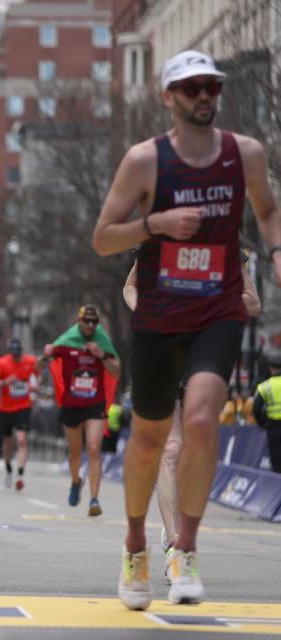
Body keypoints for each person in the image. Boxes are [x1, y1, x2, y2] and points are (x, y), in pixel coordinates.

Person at [93, 50, 281, 609]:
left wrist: (275, 251)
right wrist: (155, 224)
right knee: (151, 440)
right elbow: (104, 238)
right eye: (192, 87)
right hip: (159, 312)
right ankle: (134, 546)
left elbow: (268, 210)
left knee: (201, 420)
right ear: (169, 97)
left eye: (212, 87)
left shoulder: (244, 153)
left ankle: (187, 550)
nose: (204, 96)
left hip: (216, 307)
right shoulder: (144, 162)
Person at [124, 251, 262, 580]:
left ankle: (179, 532)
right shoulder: (157, 236)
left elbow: (252, 303)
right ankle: (176, 547)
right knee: (170, 450)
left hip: (202, 356)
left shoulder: (226, 241)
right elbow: (130, 286)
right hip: (161, 352)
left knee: (192, 451)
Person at [37, 305, 120, 517]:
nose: (91, 326)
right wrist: (45, 356)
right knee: (75, 452)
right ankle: (76, 481)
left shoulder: (102, 341)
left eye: (94, 322)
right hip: (71, 405)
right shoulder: (67, 341)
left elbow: (116, 370)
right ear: (79, 321)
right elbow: (38, 367)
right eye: (87, 321)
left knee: (93, 448)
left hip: (95, 404)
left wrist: (101, 355)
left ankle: (94, 499)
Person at [0, 338, 36, 491]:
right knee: (7, 442)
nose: (16, 357)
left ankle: (20, 475)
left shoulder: (30, 361)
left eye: (19, 353)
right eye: (14, 353)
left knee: (22, 440)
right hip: (5, 408)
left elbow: (38, 374)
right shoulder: (2, 363)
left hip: (23, 406)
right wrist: (5, 382)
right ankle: (9, 469)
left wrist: (36, 384)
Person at [254, 354, 281, 473]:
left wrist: (263, 423)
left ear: (270, 368)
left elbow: (256, 409)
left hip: (274, 427)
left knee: (276, 462)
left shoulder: (265, 386)